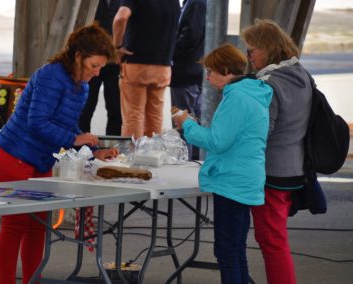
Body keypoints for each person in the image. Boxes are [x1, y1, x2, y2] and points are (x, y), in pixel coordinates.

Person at [0, 23, 116, 284]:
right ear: (79, 56)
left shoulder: (81, 86)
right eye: (94, 65)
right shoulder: (51, 76)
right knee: (15, 224)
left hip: (41, 158)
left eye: (101, 68)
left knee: (39, 226)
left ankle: (31, 280)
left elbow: (67, 126)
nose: (97, 73)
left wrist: (94, 151)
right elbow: (38, 122)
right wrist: (75, 139)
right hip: (14, 153)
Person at [173, 43, 273, 284]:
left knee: (227, 252)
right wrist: (194, 125)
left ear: (226, 70)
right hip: (243, 178)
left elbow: (217, 142)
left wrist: (187, 123)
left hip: (233, 181)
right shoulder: (251, 92)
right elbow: (228, 137)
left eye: (211, 71)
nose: (207, 78)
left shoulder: (236, 97)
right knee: (236, 249)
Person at [241, 19, 312, 284]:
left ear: (267, 48)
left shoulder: (269, 84)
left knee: (272, 241)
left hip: (271, 171)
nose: (249, 58)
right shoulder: (302, 75)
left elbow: (260, 133)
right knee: (275, 237)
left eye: (252, 51)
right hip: (294, 167)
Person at [112, 0, 180, 138]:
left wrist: (116, 47)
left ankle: (132, 154)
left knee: (133, 115)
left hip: (135, 64)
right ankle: (152, 155)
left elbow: (121, 17)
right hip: (163, 67)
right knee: (155, 115)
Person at [78, 0, 122, 135]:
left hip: (115, 61)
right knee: (87, 104)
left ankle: (114, 144)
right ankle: (82, 142)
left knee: (115, 106)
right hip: (92, 59)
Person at [170, 0, 206, 160]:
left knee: (184, 121)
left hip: (186, 72)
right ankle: (194, 160)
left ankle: (188, 161)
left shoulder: (196, 3)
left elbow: (191, 36)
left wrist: (169, 51)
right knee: (194, 120)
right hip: (191, 71)